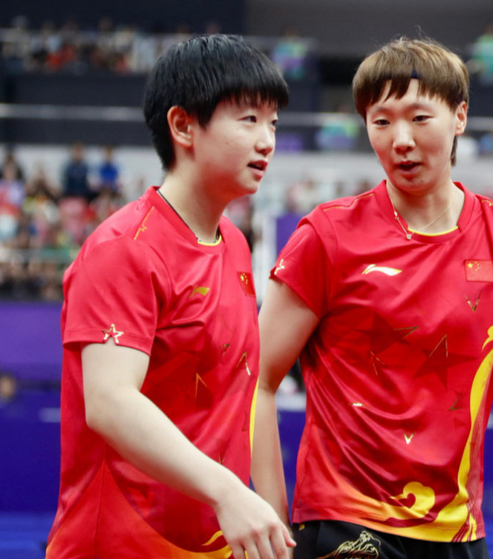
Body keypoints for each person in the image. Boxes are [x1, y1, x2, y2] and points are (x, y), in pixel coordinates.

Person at [252, 37, 493, 559]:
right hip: (345, 526)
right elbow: (256, 378)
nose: (400, 140)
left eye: (419, 118)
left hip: (459, 532)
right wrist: (271, 519)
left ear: (459, 116)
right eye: (381, 121)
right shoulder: (328, 236)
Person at [46, 34, 295, 559]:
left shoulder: (234, 243)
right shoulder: (123, 249)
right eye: (249, 119)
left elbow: (243, 396)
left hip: (212, 544)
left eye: (273, 123)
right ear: (183, 126)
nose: (267, 140)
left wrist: (271, 517)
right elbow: (110, 402)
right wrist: (229, 492)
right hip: (116, 544)